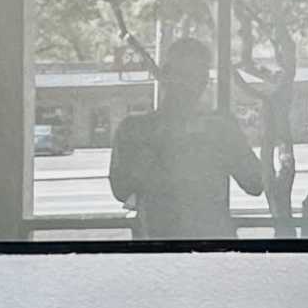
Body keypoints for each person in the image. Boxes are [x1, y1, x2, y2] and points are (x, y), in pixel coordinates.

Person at [107, 38, 264, 240]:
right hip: (161, 244)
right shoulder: (135, 130)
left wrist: (231, 142)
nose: (191, 84)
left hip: (212, 245)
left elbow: (255, 183)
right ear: (166, 74)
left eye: (200, 76)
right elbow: (120, 189)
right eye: (184, 75)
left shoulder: (220, 129)